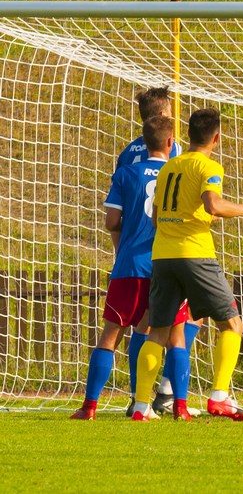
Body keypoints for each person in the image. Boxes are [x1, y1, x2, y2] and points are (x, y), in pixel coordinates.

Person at [130, 107, 243, 421]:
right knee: (232, 324)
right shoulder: (208, 166)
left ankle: (141, 406)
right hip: (195, 254)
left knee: (157, 333)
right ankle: (219, 397)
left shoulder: (169, 167)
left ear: (188, 135)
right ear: (216, 138)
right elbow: (213, 205)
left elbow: (156, 218)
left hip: (163, 256)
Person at [70, 115, 190, 420]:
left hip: (130, 266)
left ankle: (89, 406)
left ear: (143, 142)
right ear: (171, 142)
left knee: (111, 334)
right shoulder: (179, 173)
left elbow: (111, 221)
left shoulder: (126, 173)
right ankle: (179, 407)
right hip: (167, 263)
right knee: (174, 335)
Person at [119, 86, 203, 417]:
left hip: (133, 253)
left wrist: (121, 250)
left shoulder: (127, 154)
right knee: (187, 320)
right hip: (170, 247)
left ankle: (138, 396)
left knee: (143, 324)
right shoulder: (174, 149)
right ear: (164, 115)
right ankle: (168, 393)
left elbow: (116, 214)